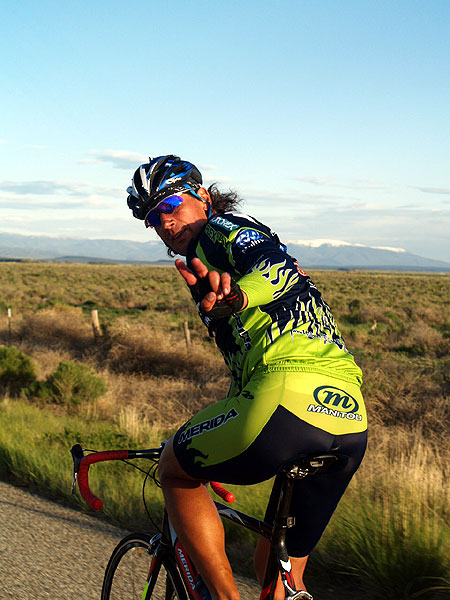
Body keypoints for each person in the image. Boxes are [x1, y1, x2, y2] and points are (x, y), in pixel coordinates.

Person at [127, 155, 368, 600]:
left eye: (170, 205)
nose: (164, 223)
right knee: (276, 575)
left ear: (203, 196)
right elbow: (244, 364)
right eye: (152, 218)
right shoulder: (206, 260)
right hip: (349, 418)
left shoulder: (222, 229)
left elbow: (276, 270)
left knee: (174, 469)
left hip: (283, 404)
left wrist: (239, 296)